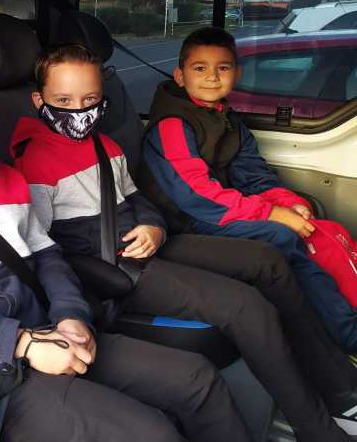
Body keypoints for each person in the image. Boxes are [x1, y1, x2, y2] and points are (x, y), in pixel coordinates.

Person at [0, 56, 250, 442]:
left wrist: (71, 315)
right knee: (153, 432)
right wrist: (23, 343)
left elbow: (47, 258)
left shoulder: (10, 181)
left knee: (198, 379)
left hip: (54, 333)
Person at [9, 43, 357, 440]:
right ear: (39, 100)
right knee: (246, 306)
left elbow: (137, 198)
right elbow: (44, 249)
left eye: (90, 99)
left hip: (149, 241)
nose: (78, 110)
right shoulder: (33, 162)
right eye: (63, 101)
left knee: (268, 259)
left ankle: (338, 386)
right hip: (112, 266)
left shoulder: (105, 146)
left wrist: (154, 227)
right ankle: (316, 428)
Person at [139, 26, 357, 353]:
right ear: (180, 76)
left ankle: (337, 318)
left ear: (237, 74)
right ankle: (345, 334)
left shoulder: (225, 116)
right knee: (281, 236)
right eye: (200, 68)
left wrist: (288, 203)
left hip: (214, 210)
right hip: (182, 220)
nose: (212, 77)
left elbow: (253, 174)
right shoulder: (172, 124)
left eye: (223, 68)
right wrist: (272, 214)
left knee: (317, 226)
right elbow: (195, 195)